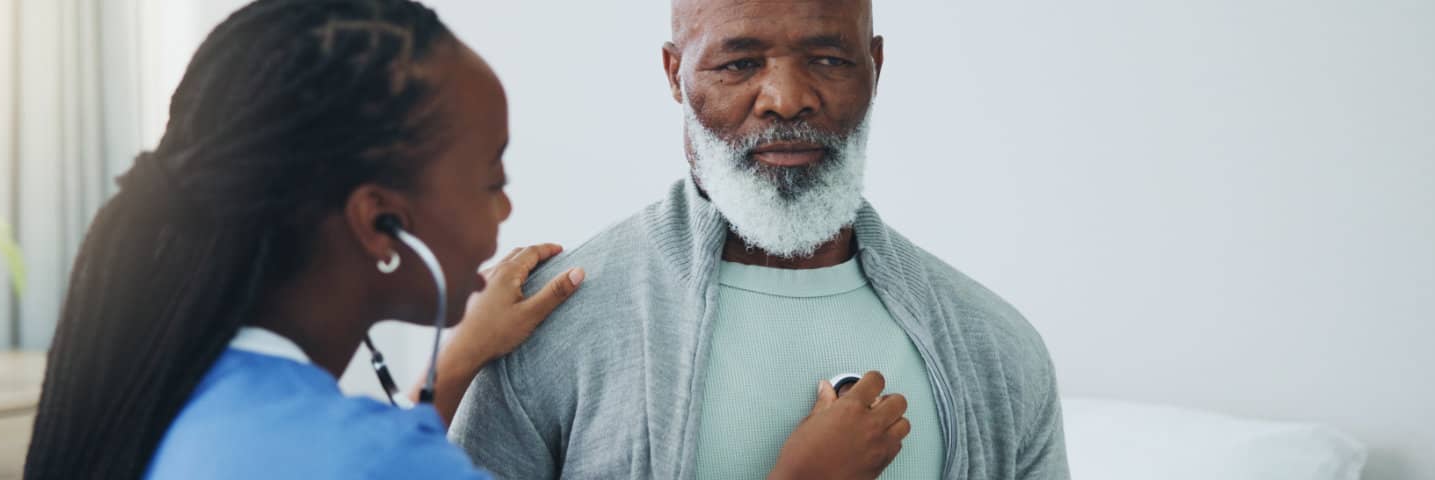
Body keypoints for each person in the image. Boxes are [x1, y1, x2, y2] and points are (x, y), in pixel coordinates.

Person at [22, 0, 912, 478]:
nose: (504, 211)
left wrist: (449, 371)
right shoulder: (362, 459)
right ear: (382, 224)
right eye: (491, 176)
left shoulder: (176, 383)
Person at [448, 0, 1070, 479]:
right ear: (675, 73)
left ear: (874, 68)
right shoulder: (554, 329)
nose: (787, 99)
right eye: (739, 63)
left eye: (828, 59)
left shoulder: (996, 348)